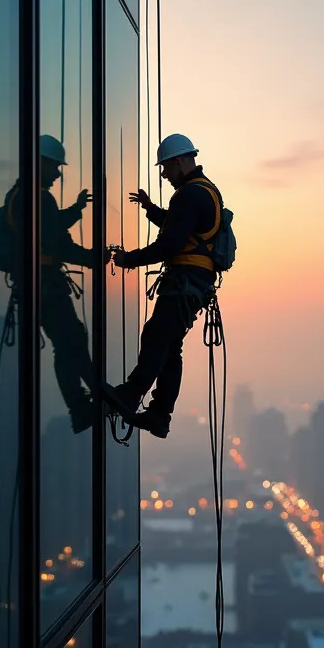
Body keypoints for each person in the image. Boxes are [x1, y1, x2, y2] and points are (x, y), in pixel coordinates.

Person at [104, 133, 223, 438]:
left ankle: (131, 394)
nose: (164, 175)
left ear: (179, 162)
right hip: (194, 284)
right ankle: (159, 414)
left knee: (157, 336)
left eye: (165, 168)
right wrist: (150, 208)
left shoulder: (189, 195)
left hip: (185, 282)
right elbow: (179, 226)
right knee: (168, 346)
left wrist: (129, 260)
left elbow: (169, 244)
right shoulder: (205, 191)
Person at [0, 134, 99, 433]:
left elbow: (49, 228)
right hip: (45, 287)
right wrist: (94, 257)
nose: (57, 174)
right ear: (39, 163)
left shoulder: (21, 195)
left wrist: (76, 210)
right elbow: (57, 242)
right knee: (72, 340)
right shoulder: (37, 198)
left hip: (34, 286)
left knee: (66, 343)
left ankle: (81, 405)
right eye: (54, 166)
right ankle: (91, 398)